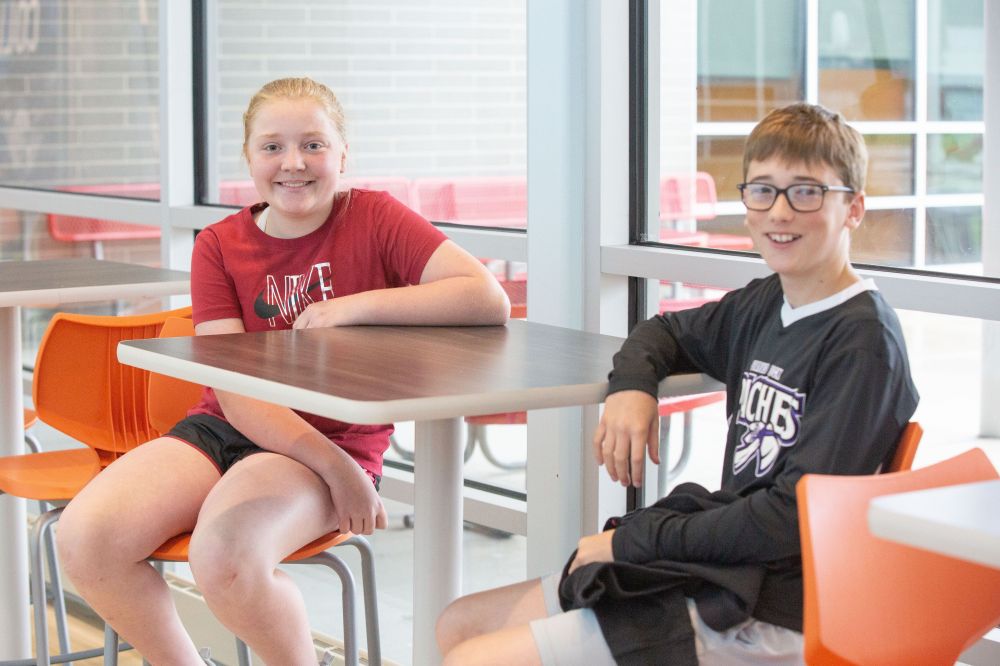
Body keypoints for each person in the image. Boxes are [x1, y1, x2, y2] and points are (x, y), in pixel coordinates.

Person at [436, 102, 919, 665]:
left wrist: (632, 542)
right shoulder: (768, 301)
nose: (780, 212)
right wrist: (631, 388)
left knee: (475, 659)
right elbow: (663, 331)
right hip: (724, 569)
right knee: (459, 625)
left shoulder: (863, 342)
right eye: (763, 191)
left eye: (806, 192)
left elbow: (792, 518)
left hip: (777, 609)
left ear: (853, 208)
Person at [57, 76, 510, 665]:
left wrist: (351, 308)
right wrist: (339, 474)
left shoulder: (375, 216)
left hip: (332, 438)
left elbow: (486, 298)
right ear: (249, 158)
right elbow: (234, 391)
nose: (293, 163)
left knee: (226, 557)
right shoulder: (218, 244)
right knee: (85, 540)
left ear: (342, 155)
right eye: (272, 147)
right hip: (230, 427)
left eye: (313, 145)